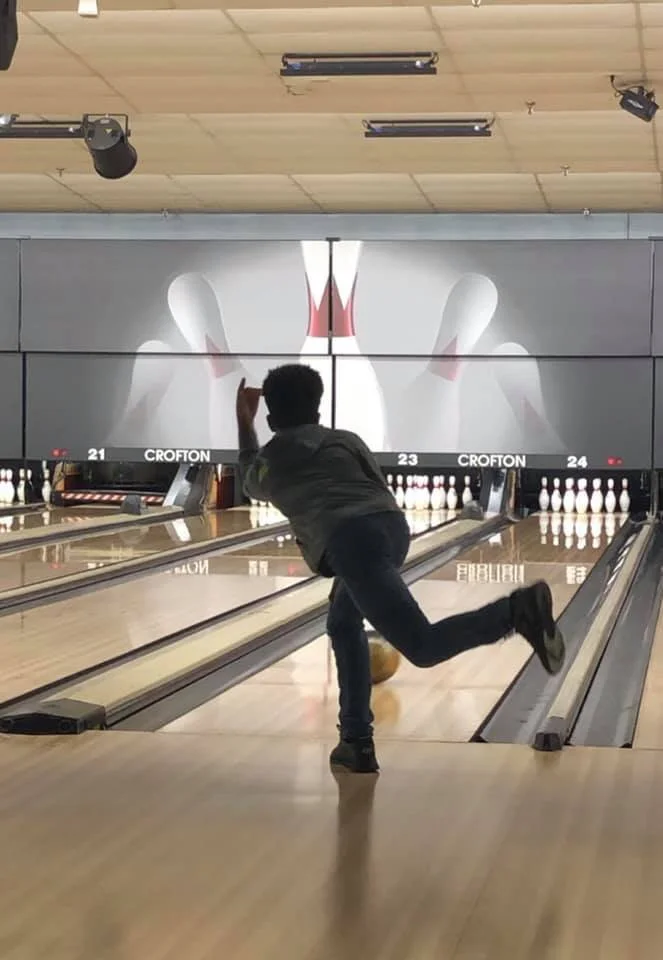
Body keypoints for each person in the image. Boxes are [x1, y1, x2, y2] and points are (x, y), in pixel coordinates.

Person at [236, 364, 566, 774]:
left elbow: (248, 480)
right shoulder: (346, 439)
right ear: (318, 408)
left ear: (271, 417)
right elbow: (377, 489)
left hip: (350, 542)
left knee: (423, 647)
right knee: (342, 624)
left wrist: (243, 422)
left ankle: (514, 612)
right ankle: (355, 741)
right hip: (391, 530)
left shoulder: (273, 457)